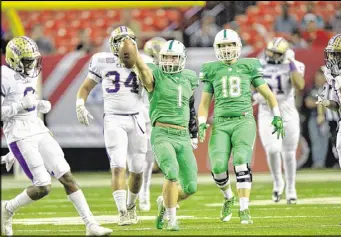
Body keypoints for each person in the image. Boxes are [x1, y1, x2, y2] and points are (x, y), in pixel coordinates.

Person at [1, 36, 112, 236]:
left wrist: (37, 105)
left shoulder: (30, 74)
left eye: (33, 60)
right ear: (13, 60)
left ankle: (91, 225)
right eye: (27, 61)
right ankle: (7, 209)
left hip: (37, 127)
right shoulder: (4, 76)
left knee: (66, 176)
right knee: (43, 186)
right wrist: (20, 106)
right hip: (19, 134)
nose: (31, 65)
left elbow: (27, 101)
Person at [198, 29, 285, 224]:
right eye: (222, 46)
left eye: (229, 45)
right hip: (220, 122)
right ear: (216, 48)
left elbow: (268, 94)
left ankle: (244, 209)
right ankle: (229, 197)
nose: (226, 49)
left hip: (243, 120)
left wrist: (277, 116)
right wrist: (202, 123)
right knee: (218, 166)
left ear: (237, 46)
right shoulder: (211, 69)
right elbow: (204, 103)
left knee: (240, 161)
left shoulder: (249, 65)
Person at [76, 26, 146, 226]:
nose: (123, 45)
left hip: (137, 118)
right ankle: (122, 211)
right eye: (119, 41)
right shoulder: (102, 60)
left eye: (127, 41)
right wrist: (80, 104)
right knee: (117, 166)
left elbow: (151, 85)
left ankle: (131, 205)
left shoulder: (144, 60)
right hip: (114, 119)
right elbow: (85, 87)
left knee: (138, 169)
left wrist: (139, 64)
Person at [135, 40, 199, 231]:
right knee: (171, 172)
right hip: (162, 132)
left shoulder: (189, 77)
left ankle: (165, 202)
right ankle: (172, 219)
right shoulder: (154, 73)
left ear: (182, 59)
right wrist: (136, 56)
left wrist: (193, 131)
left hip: (182, 135)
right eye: (166, 57)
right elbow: (144, 74)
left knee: (190, 187)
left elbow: (189, 106)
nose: (170, 61)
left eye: (173, 57)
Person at [254, 38, 305, 203]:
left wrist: (290, 62)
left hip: (287, 110)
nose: (272, 55)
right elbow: (249, 86)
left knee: (289, 153)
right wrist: (254, 96)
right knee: (273, 150)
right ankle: (277, 182)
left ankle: (291, 189)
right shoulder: (258, 65)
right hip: (267, 111)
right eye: (271, 51)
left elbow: (299, 85)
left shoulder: (295, 64)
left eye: (277, 53)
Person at [316, 34, 341, 225]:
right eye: (331, 54)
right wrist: (325, 102)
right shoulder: (333, 73)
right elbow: (339, 104)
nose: (333, 59)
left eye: (337, 54)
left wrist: (338, 79)